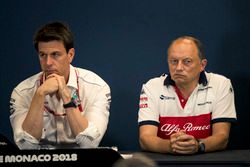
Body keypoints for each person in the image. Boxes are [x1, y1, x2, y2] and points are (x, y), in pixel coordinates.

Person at [9, 21, 111, 149]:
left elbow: (89, 144)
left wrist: (65, 94)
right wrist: (39, 94)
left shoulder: (96, 87)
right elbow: (26, 147)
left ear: (70, 55)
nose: (48, 62)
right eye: (42, 55)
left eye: (55, 54)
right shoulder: (22, 92)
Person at [138, 36, 237, 154]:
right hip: (165, 161)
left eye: (187, 61)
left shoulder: (221, 84)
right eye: (174, 61)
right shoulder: (152, 87)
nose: (179, 68)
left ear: (202, 65)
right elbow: (145, 138)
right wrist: (171, 146)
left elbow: (222, 137)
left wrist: (198, 145)